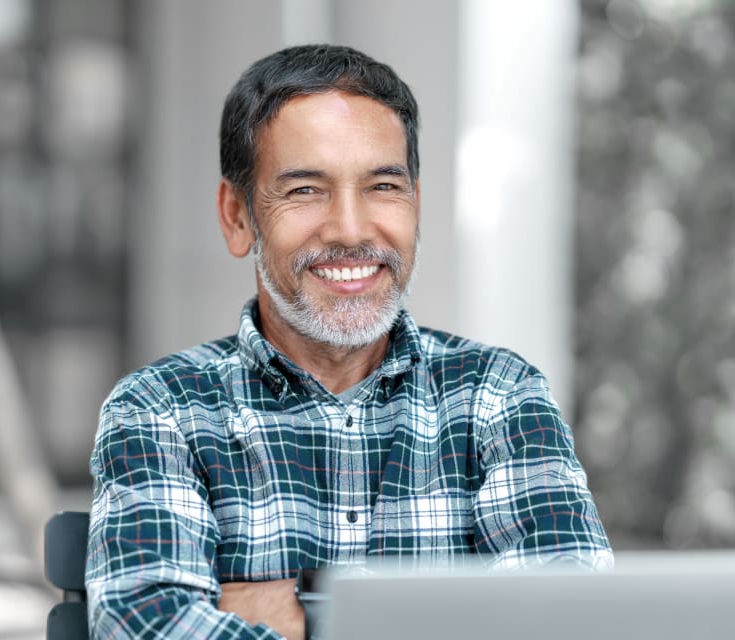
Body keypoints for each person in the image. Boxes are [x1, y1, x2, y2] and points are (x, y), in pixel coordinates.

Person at [85, 44, 613, 640]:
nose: (352, 230)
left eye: (383, 186)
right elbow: (147, 625)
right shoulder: (162, 410)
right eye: (305, 190)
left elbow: (571, 621)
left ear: (416, 202)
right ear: (237, 217)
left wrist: (306, 613)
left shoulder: (499, 397)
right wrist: (460, 617)